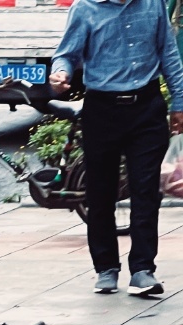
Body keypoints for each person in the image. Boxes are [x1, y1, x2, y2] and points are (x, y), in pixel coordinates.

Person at [50, 0, 183, 296]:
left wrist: (179, 102)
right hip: (101, 110)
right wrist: (62, 73)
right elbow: (66, 54)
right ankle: (106, 268)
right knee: (101, 192)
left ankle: (142, 270)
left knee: (146, 189)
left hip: (146, 108)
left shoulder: (153, 4)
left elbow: (168, 53)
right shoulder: (85, 8)